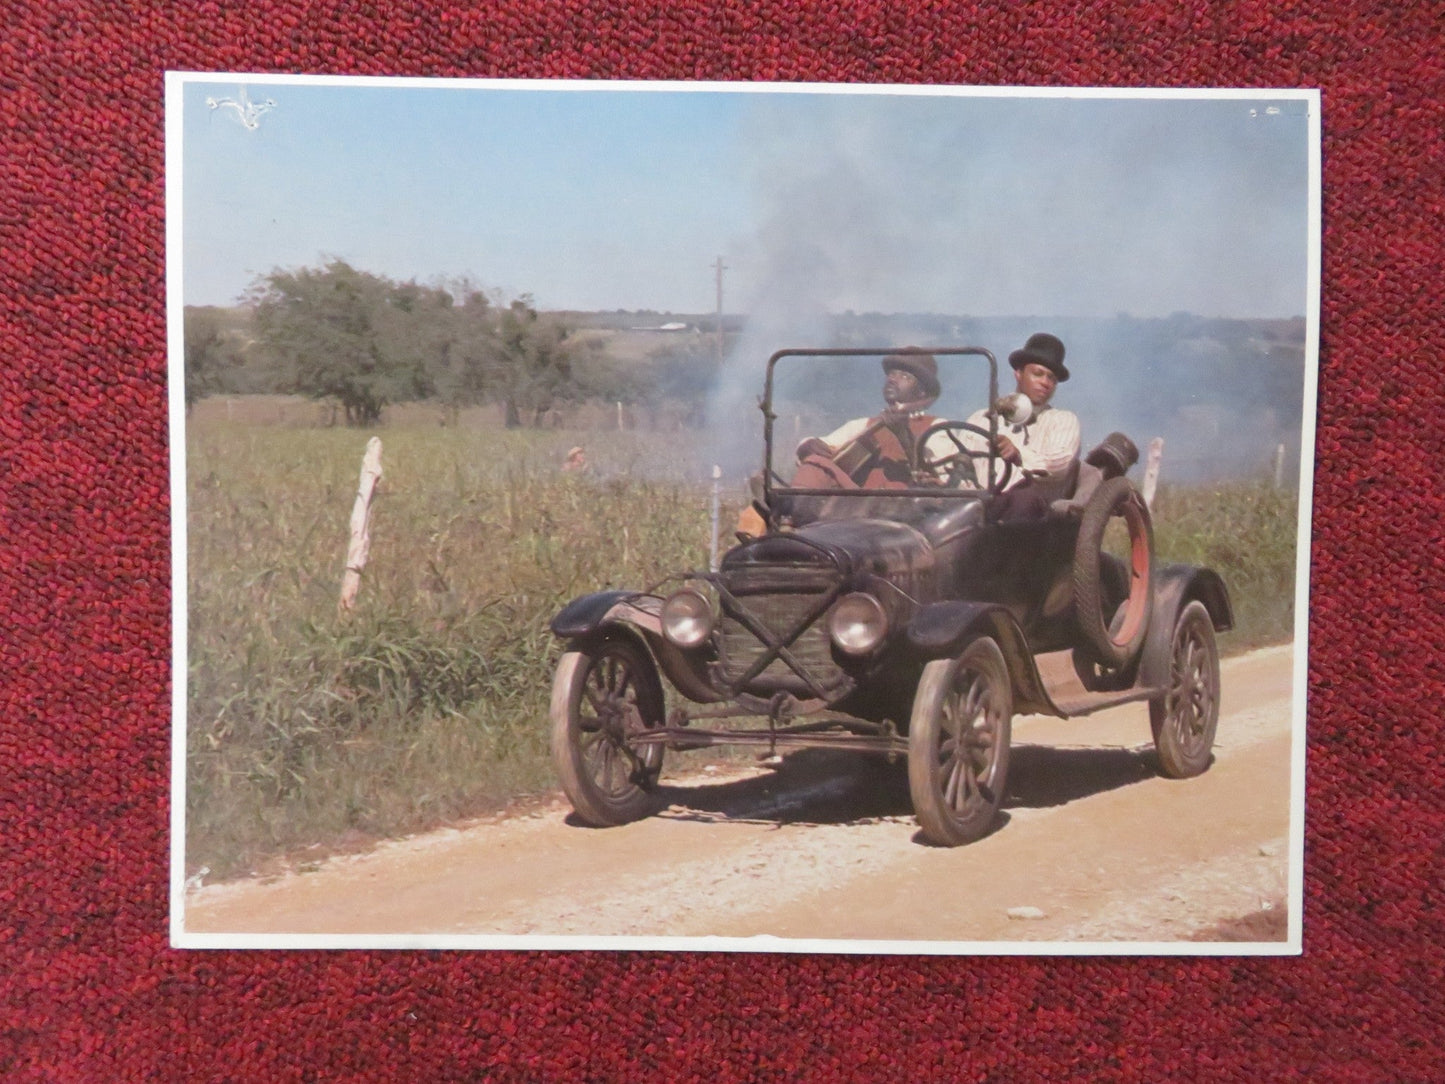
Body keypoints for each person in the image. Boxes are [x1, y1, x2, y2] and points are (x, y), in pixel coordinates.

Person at [790, 351, 958, 491]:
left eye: (905, 376)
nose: (892, 379)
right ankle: (789, 519)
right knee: (814, 462)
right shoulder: (863, 424)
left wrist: (903, 435)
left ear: (922, 392)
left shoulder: (936, 427)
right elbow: (825, 445)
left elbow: (939, 481)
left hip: (903, 511)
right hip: (854, 505)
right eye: (891, 374)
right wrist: (807, 445)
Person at [962, 332, 1081, 520]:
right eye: (1038, 374)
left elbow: (1059, 464)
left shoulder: (1062, 420)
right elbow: (959, 462)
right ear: (1018, 374)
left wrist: (1018, 454)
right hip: (979, 507)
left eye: (1051, 378)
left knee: (1023, 500)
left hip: (1032, 519)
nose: (1045, 382)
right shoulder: (982, 419)